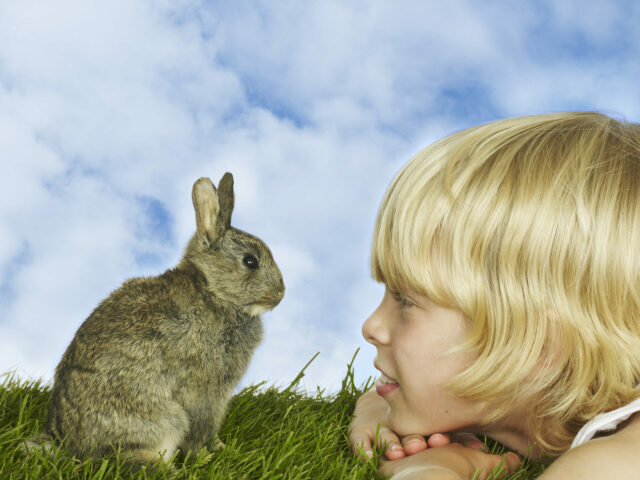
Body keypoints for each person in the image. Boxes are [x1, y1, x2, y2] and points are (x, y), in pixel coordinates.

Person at [348, 112, 640, 479]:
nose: (372, 327)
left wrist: (430, 470)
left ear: (537, 342)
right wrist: (379, 407)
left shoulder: (615, 465)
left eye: (406, 301)